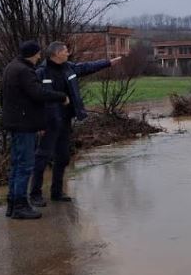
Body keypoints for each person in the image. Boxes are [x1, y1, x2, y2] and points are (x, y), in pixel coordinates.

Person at [29, 41, 122, 205]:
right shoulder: (41, 72)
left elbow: (87, 67)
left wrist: (108, 62)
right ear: (56, 54)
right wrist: (39, 124)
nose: (68, 53)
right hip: (49, 122)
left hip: (65, 120)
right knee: (42, 157)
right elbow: (35, 100)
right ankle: (35, 195)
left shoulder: (69, 67)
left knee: (63, 157)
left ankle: (57, 192)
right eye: (65, 51)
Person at [1, 40, 68, 219]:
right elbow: (38, 94)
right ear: (32, 54)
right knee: (24, 165)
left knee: (16, 164)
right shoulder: (24, 71)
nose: (40, 56)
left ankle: (13, 203)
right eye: (38, 53)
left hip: (14, 122)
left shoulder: (11, 67)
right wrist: (61, 97)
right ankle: (20, 206)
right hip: (23, 124)